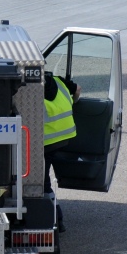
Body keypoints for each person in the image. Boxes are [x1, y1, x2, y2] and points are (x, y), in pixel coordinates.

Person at [43, 71, 81, 233]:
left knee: (40, 183)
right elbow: (78, 89)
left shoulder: (25, 85)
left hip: (45, 139)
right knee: (43, 178)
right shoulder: (58, 80)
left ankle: (56, 220)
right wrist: (72, 103)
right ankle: (56, 219)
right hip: (65, 135)